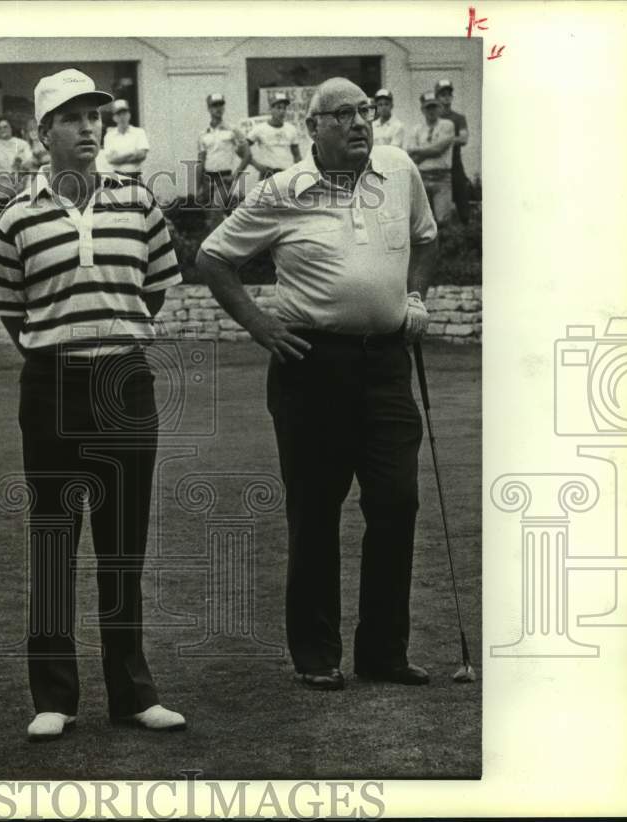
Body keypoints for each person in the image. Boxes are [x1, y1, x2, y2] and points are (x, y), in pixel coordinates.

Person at [196, 77, 437, 692]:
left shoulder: (399, 169)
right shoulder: (281, 191)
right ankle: (316, 655)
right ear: (313, 128)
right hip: (311, 368)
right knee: (315, 511)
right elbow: (214, 257)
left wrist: (413, 297)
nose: (361, 123)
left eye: (365, 112)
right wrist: (259, 325)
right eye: (343, 115)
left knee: (396, 503)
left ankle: (383, 651)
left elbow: (426, 239)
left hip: (386, 366)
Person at [0, 67, 186, 742]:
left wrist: (107, 340)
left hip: (124, 381)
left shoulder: (140, 204)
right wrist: (63, 348)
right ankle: (54, 696)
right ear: (43, 134)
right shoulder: (16, 215)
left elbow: (151, 291)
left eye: (95, 116)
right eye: (71, 118)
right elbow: (13, 312)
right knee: (53, 541)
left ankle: (132, 692)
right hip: (52, 385)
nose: (88, 128)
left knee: (123, 542)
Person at [405, 91, 456, 226]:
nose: (431, 111)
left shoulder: (447, 125)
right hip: (422, 177)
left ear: (439, 107)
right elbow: (409, 152)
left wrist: (419, 150)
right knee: (423, 222)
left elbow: (439, 149)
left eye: (434, 107)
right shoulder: (416, 129)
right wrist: (431, 149)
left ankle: (445, 246)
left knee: (443, 220)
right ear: (422, 109)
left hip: (441, 177)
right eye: (428, 107)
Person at [195, 92, 247, 212]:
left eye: (220, 105)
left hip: (224, 178)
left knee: (216, 210)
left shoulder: (233, 130)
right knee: (209, 215)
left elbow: (247, 155)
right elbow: (200, 161)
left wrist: (234, 176)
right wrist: (198, 188)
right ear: (209, 108)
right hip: (207, 178)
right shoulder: (203, 133)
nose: (218, 109)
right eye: (214, 106)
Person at [237, 92, 301, 180]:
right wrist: (256, 165)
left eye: (284, 108)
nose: (282, 111)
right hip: (267, 174)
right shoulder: (260, 129)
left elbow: (297, 156)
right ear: (271, 109)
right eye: (278, 108)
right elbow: (240, 149)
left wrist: (298, 173)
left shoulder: (291, 129)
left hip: (285, 174)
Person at [435, 79, 471, 223]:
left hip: (455, 164)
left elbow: (463, 139)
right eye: (442, 94)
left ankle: (466, 234)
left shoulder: (458, 118)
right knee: (438, 205)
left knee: (462, 200)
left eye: (448, 94)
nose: (446, 98)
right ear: (437, 97)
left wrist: (443, 142)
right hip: (438, 165)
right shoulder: (433, 118)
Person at [101, 99, 149, 181]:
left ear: (129, 115)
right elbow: (111, 159)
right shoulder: (109, 136)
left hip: (135, 176)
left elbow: (142, 155)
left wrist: (119, 157)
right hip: (117, 178)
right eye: (119, 114)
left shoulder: (139, 132)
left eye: (124, 113)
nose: (122, 117)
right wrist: (132, 153)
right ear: (114, 118)